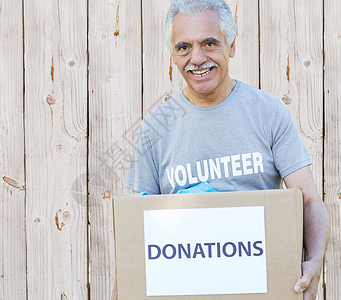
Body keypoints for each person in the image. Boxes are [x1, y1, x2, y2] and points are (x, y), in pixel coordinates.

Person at [121, 0, 330, 299]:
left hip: (262, 288)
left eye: (209, 43)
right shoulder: (154, 130)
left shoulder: (268, 112)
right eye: (183, 47)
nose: (197, 58)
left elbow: (310, 202)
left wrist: (315, 261)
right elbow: (137, 229)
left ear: (231, 45)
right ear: (173, 55)